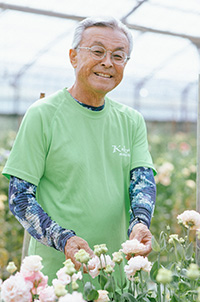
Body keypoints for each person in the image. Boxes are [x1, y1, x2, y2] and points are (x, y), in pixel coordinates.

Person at [3, 16, 156, 284]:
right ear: (74, 57)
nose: (108, 62)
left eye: (118, 56)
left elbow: (142, 181)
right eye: (97, 51)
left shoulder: (131, 120)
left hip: (114, 272)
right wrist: (64, 239)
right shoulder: (43, 115)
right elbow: (20, 197)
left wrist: (140, 222)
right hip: (57, 278)